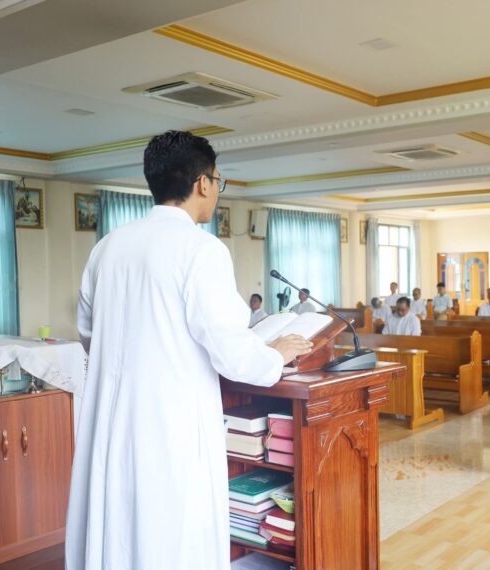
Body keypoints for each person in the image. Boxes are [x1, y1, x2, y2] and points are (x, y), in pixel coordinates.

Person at [66, 131, 313, 570]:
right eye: (219, 181)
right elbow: (232, 351)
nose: (217, 191)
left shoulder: (107, 247)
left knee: (118, 531)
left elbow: (89, 331)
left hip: (111, 419)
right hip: (169, 424)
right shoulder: (201, 249)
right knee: (171, 536)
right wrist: (276, 352)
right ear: (203, 183)